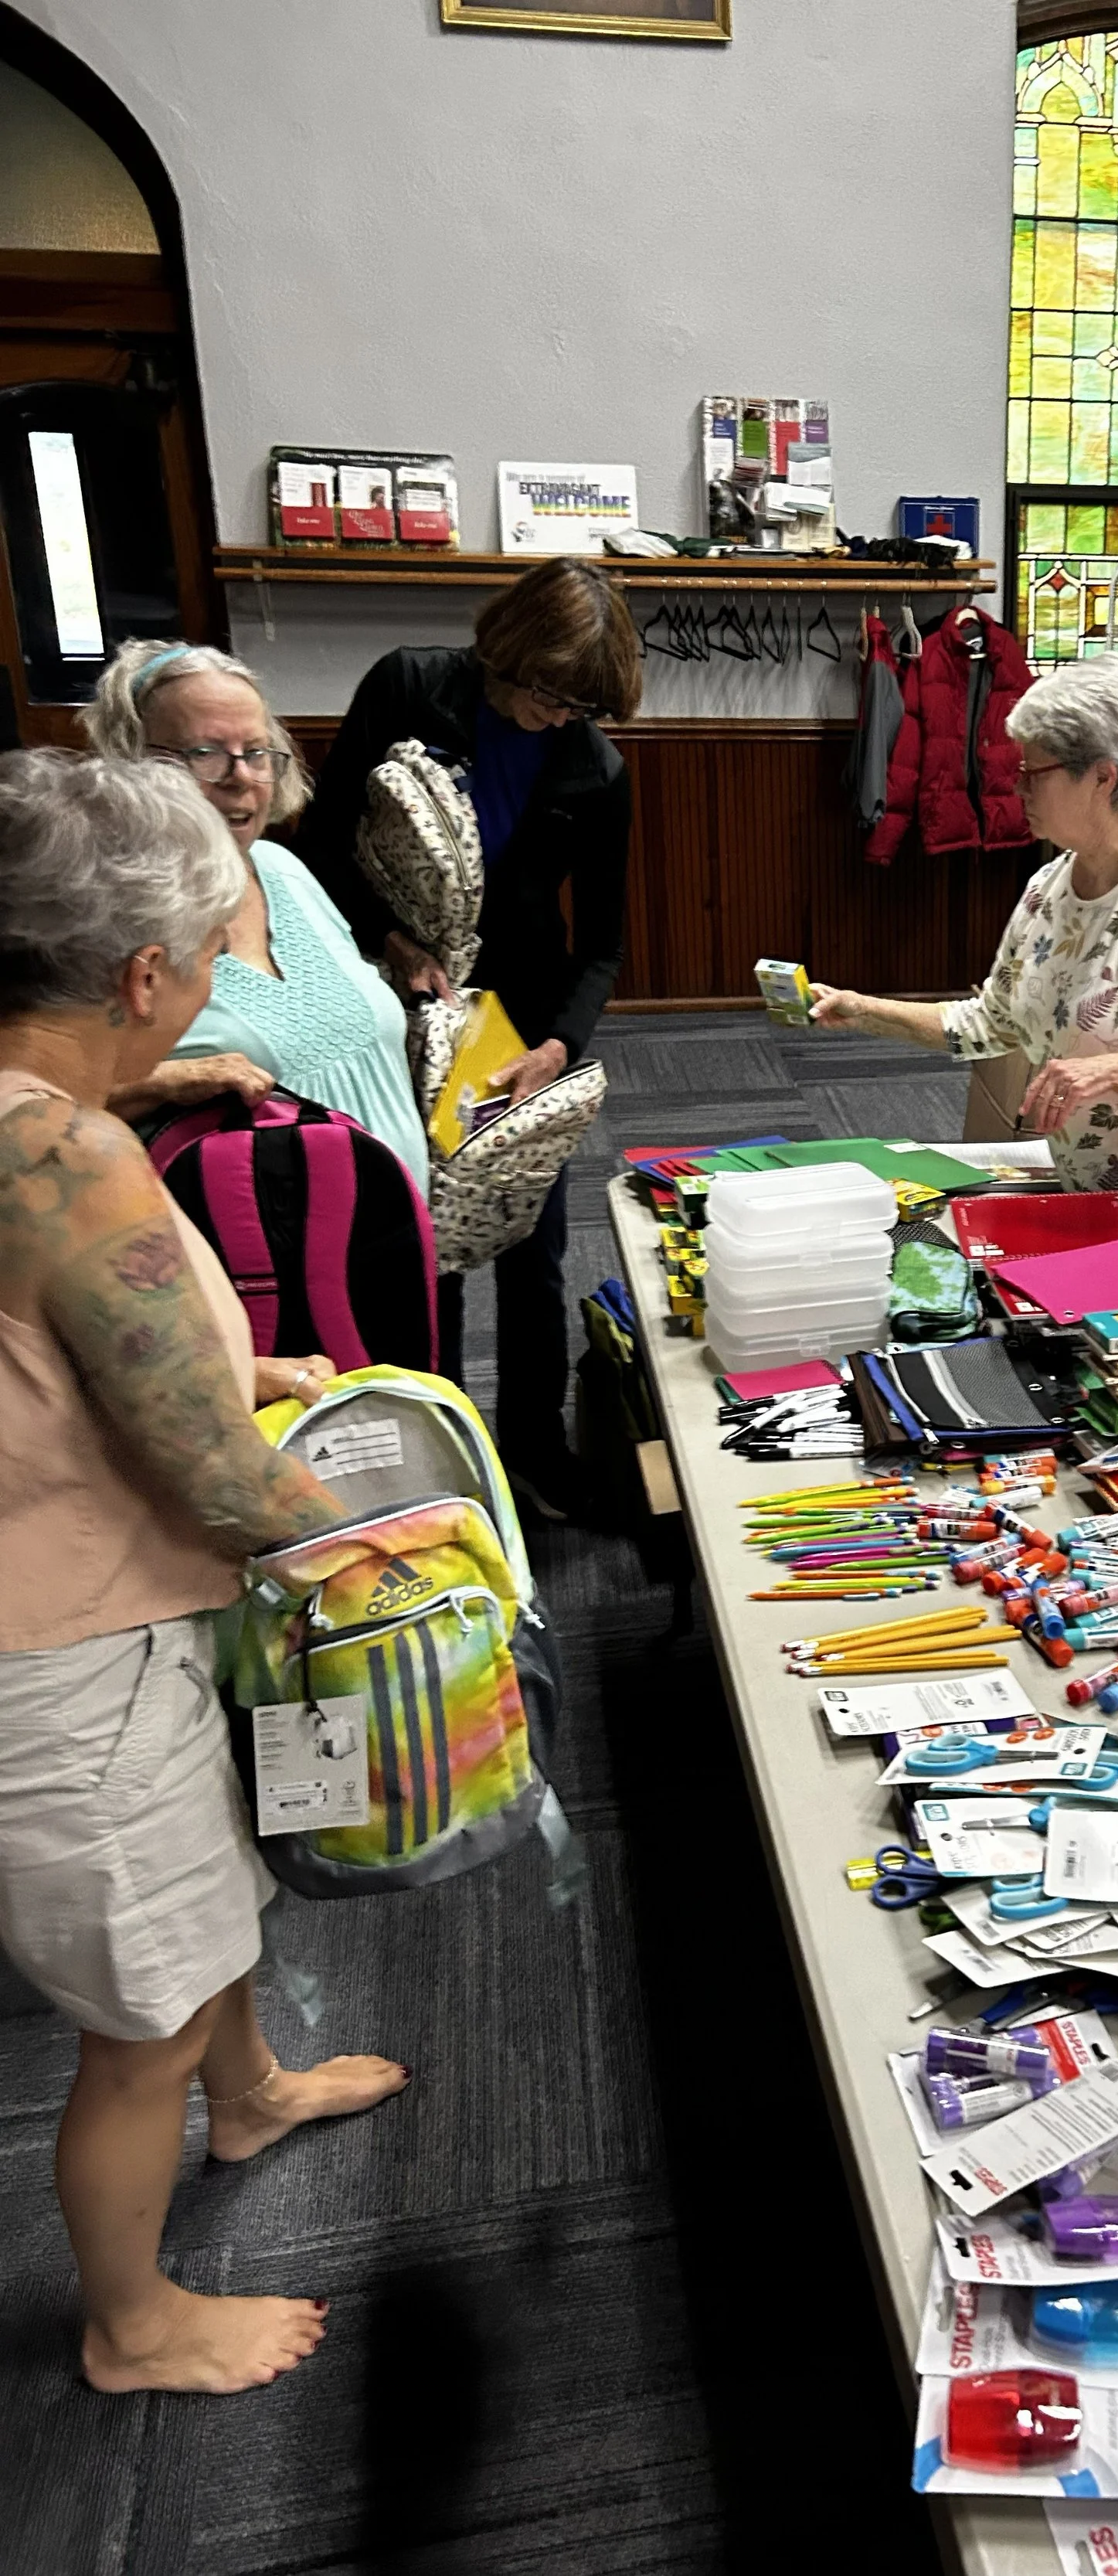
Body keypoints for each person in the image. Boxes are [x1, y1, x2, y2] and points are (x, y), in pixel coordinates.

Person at [0, 750, 406, 2395]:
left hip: (92, 1604)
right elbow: (207, 1467)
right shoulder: (62, 1158)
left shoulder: (58, 1116)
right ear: (141, 972)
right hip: (69, 1650)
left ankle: (245, 2092)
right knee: (135, 2017)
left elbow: (79, 1352)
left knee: (205, 1890)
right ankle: (131, 2317)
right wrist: (388, 1540)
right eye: (204, 965)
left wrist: (237, 1371)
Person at [301, 559, 641, 1519]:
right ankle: (438, 1445)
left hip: (508, 1030)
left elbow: (604, 944)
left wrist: (559, 1048)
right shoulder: (411, 686)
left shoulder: (596, 767)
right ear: (510, 651)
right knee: (417, 1243)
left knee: (529, 1244)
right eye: (550, 694)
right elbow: (325, 841)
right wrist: (389, 941)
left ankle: (534, 1447)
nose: (561, 717)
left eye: (583, 706)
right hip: (391, 1008)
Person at [810, 656, 1118, 1302]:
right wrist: (861, 1009)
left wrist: (1111, 1071)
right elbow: (991, 1022)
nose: (1016, 786)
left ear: (1102, 779)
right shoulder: (1051, 884)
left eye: (1034, 771)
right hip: (1095, 1183)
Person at [81, 640, 429, 1196]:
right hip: (260, 1261)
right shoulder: (104, 915)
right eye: (204, 752)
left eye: (258, 751)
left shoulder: (281, 866)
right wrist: (170, 1080)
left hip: (393, 1240)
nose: (240, 777)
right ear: (135, 764)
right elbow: (35, 1105)